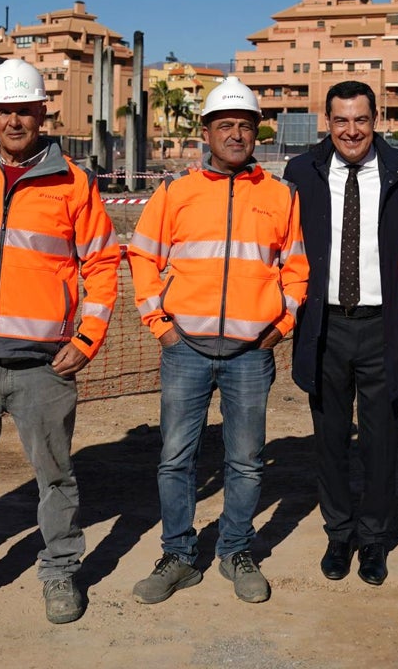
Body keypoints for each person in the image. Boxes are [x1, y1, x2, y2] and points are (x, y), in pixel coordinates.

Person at [0, 58, 120, 626]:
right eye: (5, 110)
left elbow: (104, 263)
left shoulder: (74, 182)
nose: (15, 120)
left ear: (43, 113)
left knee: (55, 474)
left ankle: (60, 571)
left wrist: (87, 339)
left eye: (25, 110)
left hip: (45, 363)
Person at [128, 76, 308, 605]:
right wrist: (161, 326)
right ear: (206, 132)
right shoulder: (174, 192)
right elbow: (142, 257)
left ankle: (235, 550)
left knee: (247, 460)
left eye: (245, 126)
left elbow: (296, 270)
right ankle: (180, 556)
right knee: (175, 459)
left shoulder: (280, 196)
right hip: (185, 349)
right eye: (225, 125)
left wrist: (280, 327)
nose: (235, 134)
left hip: (251, 354)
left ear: (257, 134)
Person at [283, 80, 398, 585]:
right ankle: (338, 531)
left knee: (380, 440)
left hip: (382, 327)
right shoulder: (301, 172)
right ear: (327, 121)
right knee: (328, 438)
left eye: (361, 120)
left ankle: (373, 539)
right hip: (324, 326)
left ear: (376, 119)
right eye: (341, 120)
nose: (351, 131)